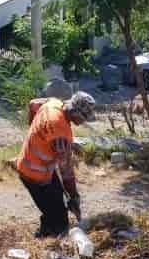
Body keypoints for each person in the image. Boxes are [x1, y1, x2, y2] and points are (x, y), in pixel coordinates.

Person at [16, 91, 97, 237]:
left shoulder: (53, 103)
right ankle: (45, 237)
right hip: (34, 174)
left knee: (56, 197)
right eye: (83, 118)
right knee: (59, 221)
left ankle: (48, 225)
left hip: (33, 163)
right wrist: (74, 196)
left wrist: (36, 131)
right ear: (75, 113)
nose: (83, 122)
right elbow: (66, 173)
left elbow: (33, 104)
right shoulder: (60, 133)